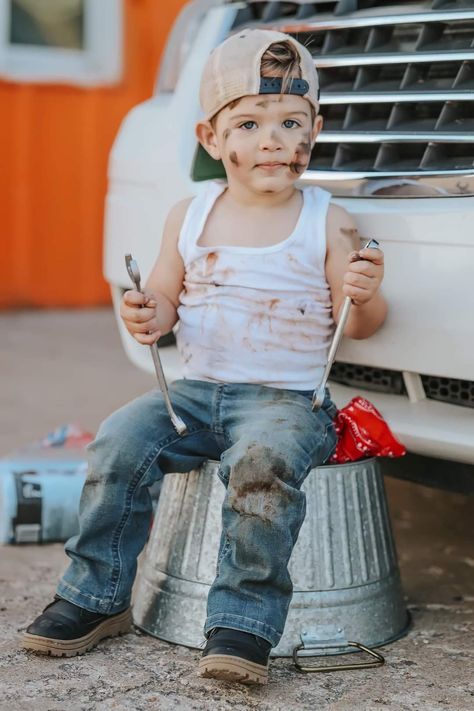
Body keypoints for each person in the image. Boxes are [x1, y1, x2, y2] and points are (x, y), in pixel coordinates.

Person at [22, 28, 386, 685]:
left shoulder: (327, 222)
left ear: (316, 129)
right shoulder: (189, 217)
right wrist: (146, 313)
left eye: (290, 122)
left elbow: (358, 327)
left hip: (285, 401)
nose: (271, 138)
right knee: (117, 442)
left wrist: (363, 292)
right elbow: (163, 303)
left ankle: (243, 621)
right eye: (248, 122)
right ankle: (94, 595)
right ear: (211, 140)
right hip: (193, 392)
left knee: (260, 469)